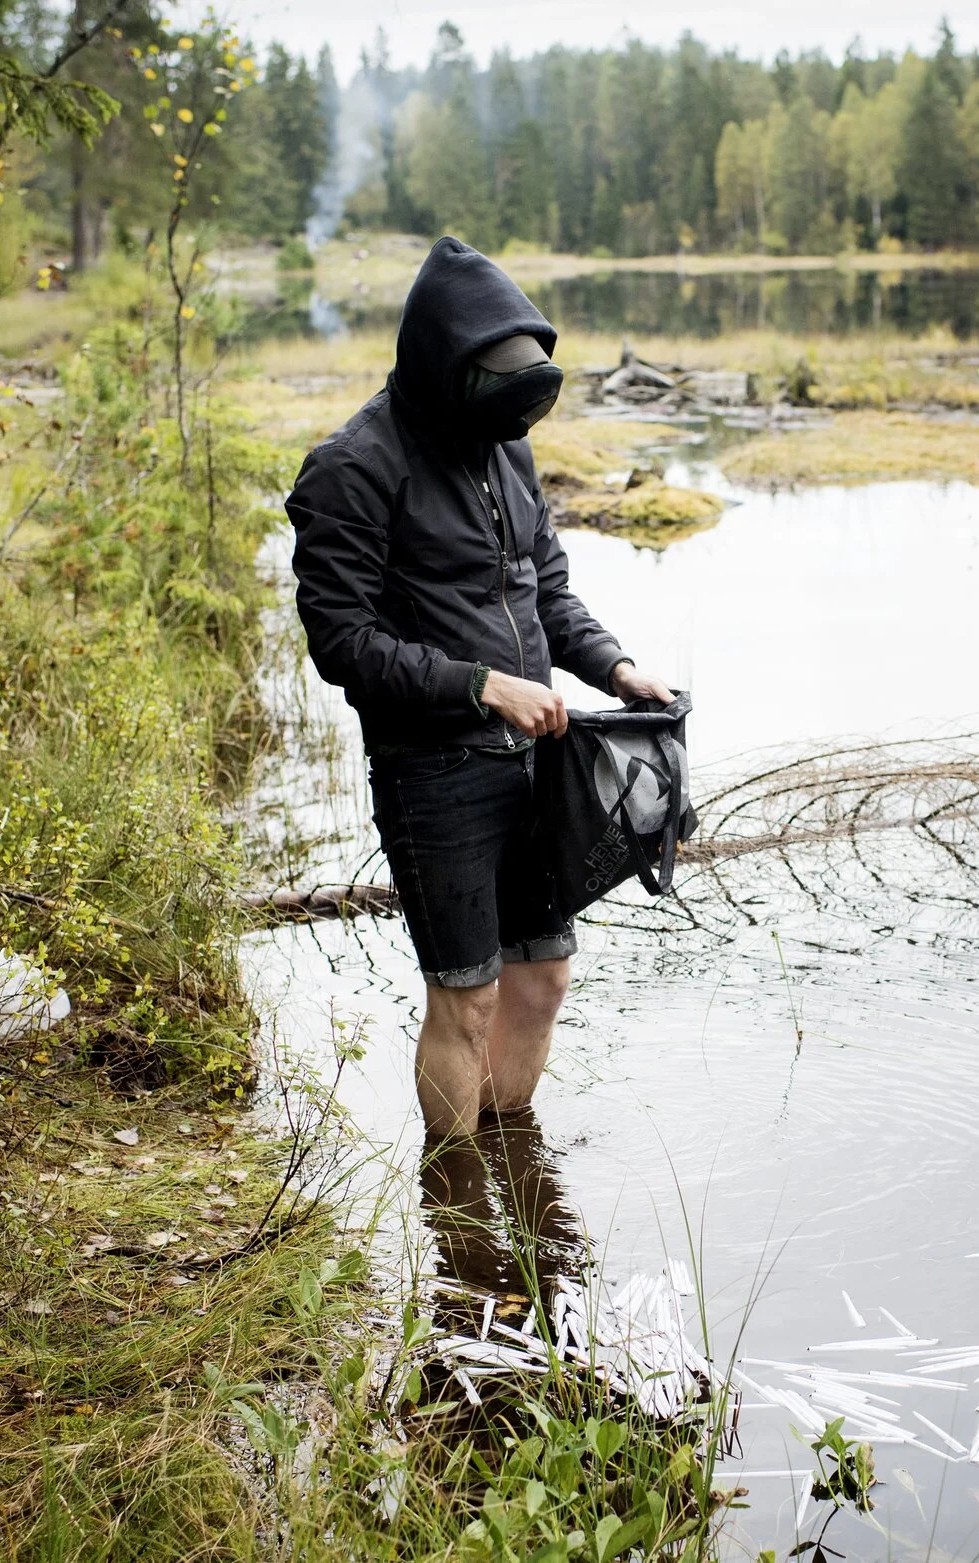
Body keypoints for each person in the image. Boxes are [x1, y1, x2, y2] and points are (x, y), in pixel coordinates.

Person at [286, 237, 672, 1141]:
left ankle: (508, 1157)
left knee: (542, 979)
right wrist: (484, 686)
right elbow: (342, 643)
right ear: (442, 365)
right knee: (467, 998)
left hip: (538, 761)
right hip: (433, 770)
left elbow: (548, 592)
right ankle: (454, 1187)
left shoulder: (508, 452)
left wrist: (616, 667)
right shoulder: (352, 466)